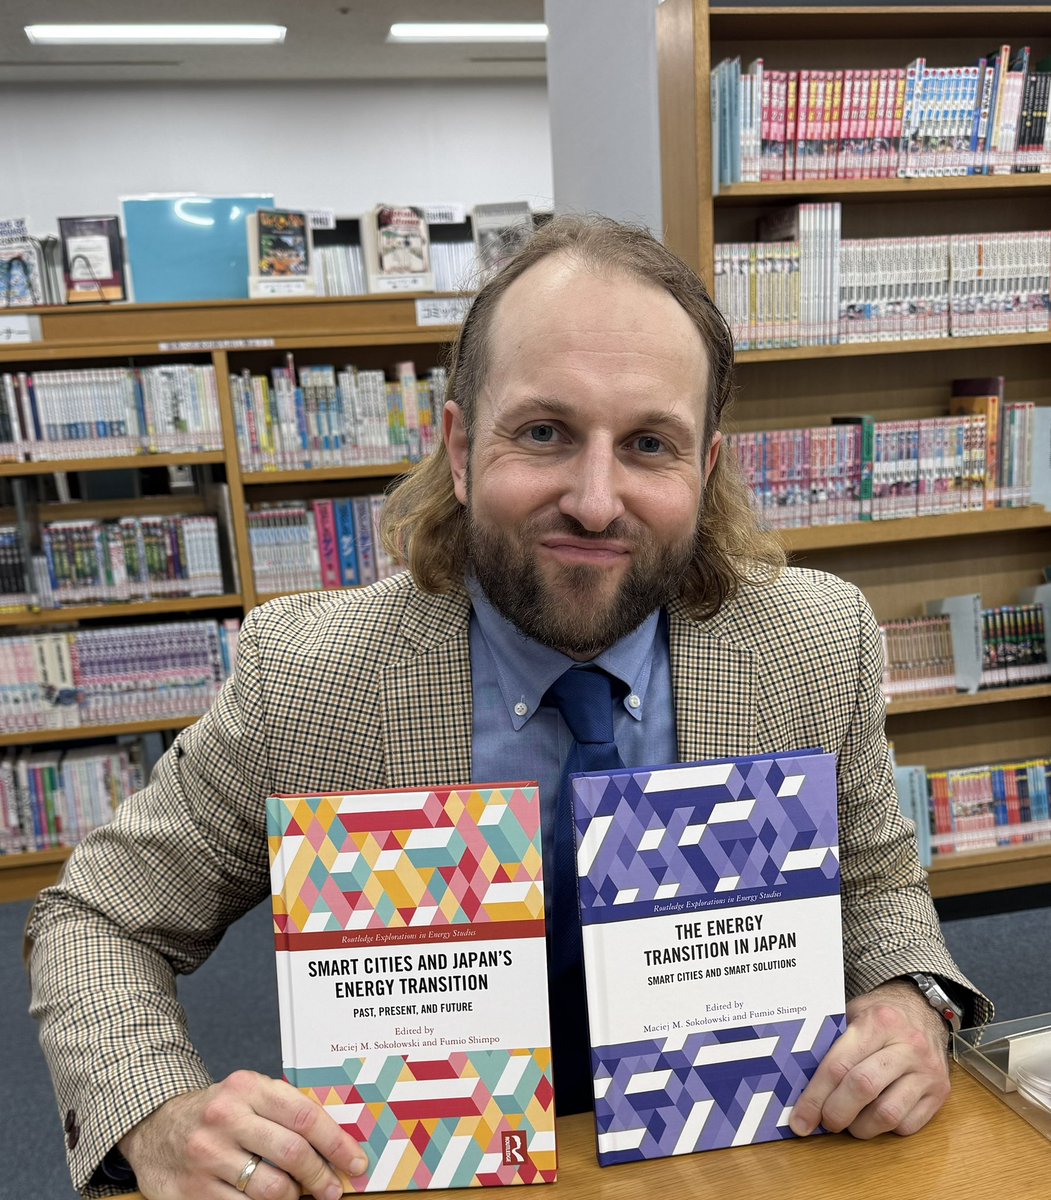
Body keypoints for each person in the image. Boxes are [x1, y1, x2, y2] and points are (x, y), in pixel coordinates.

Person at [27, 215, 991, 1200]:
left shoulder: (812, 641)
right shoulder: (309, 674)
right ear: (457, 446)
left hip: (734, 1165)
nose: (595, 500)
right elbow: (96, 916)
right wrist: (153, 1110)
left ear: (701, 472)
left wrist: (907, 998)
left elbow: (874, 887)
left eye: (649, 444)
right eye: (544, 432)